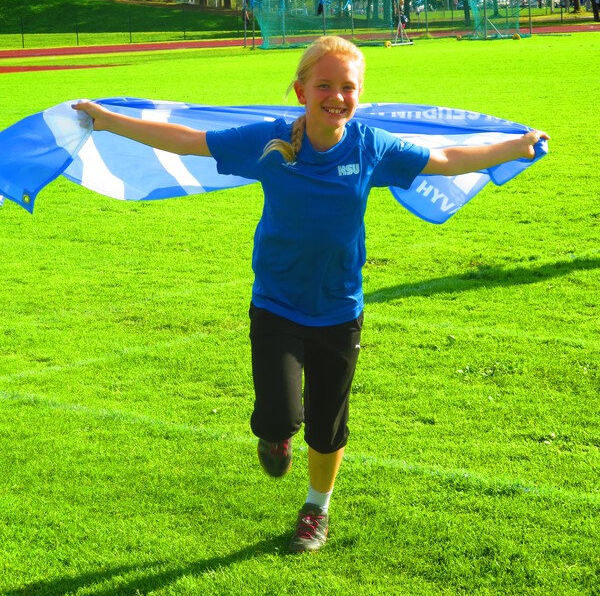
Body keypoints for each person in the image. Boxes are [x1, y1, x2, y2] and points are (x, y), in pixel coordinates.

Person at [73, 36, 549, 554]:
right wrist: (110, 121)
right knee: (282, 418)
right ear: (302, 91)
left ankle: (315, 509)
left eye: (348, 87)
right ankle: (275, 435)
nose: (336, 97)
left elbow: (446, 158)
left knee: (326, 426)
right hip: (277, 305)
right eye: (325, 85)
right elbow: (189, 141)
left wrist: (516, 147)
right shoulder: (272, 141)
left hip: (340, 310)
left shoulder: (370, 146)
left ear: (359, 94)